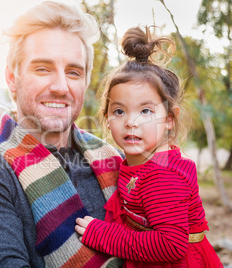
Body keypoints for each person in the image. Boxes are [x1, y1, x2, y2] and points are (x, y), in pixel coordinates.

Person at [0, 1, 124, 267]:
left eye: (73, 72)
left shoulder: (117, 160)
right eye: (43, 68)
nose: (61, 87)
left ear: (85, 82)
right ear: (11, 78)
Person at [75, 26, 223, 267]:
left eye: (146, 111)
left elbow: (171, 246)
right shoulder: (141, 161)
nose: (131, 122)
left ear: (169, 119)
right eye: (119, 111)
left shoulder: (162, 175)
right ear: (107, 118)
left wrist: (103, 235)